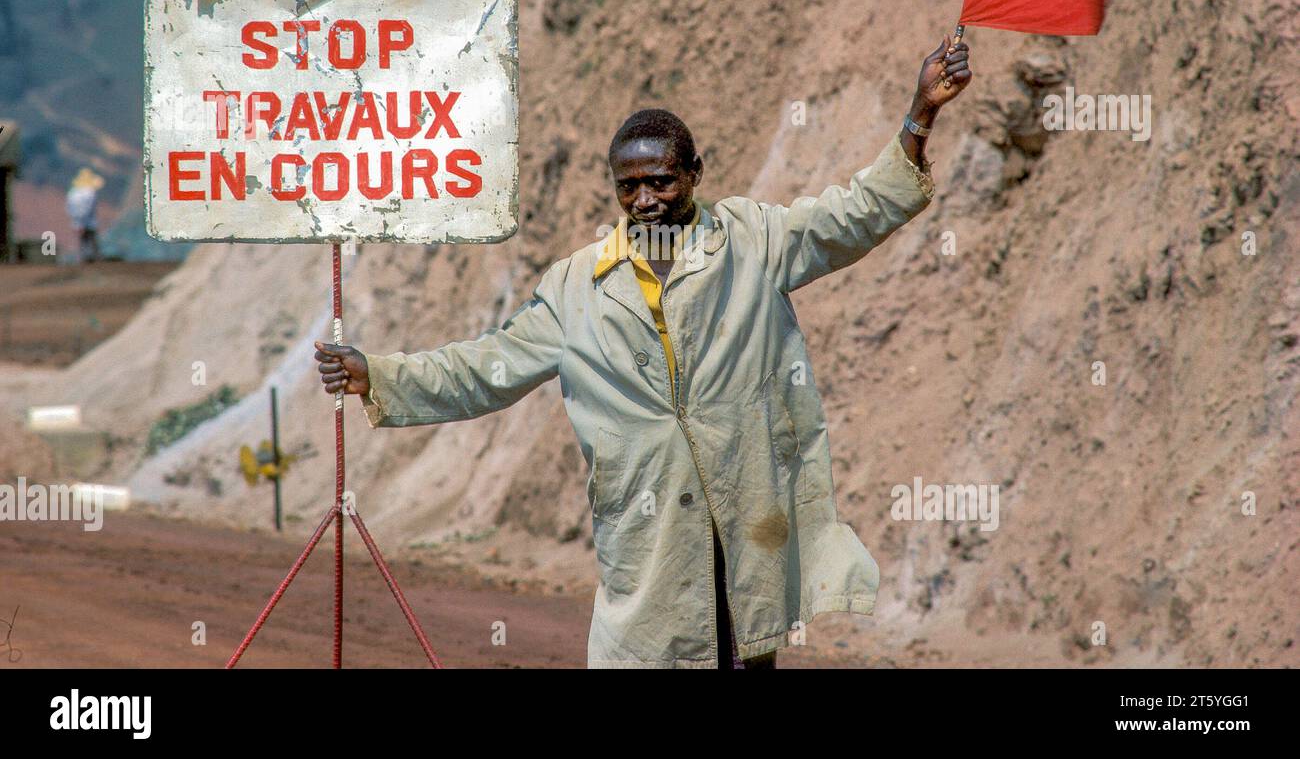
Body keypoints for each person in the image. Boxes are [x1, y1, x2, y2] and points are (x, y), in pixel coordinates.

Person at [315, 34, 972, 667]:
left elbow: (852, 216)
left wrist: (919, 115)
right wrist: (381, 374)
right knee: (647, 652)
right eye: (628, 186)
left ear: (694, 173)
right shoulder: (576, 286)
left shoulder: (754, 240)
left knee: (746, 646)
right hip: (647, 536)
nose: (645, 200)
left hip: (745, 522)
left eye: (660, 180)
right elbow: (487, 368)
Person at [66, 167, 104, 263]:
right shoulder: (90, 193)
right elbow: (87, 209)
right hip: (88, 221)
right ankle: (94, 260)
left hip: (78, 221)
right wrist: (82, 223)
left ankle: (83, 259)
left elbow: (69, 208)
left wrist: (77, 222)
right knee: (92, 241)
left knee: (82, 241)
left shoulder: (73, 193)